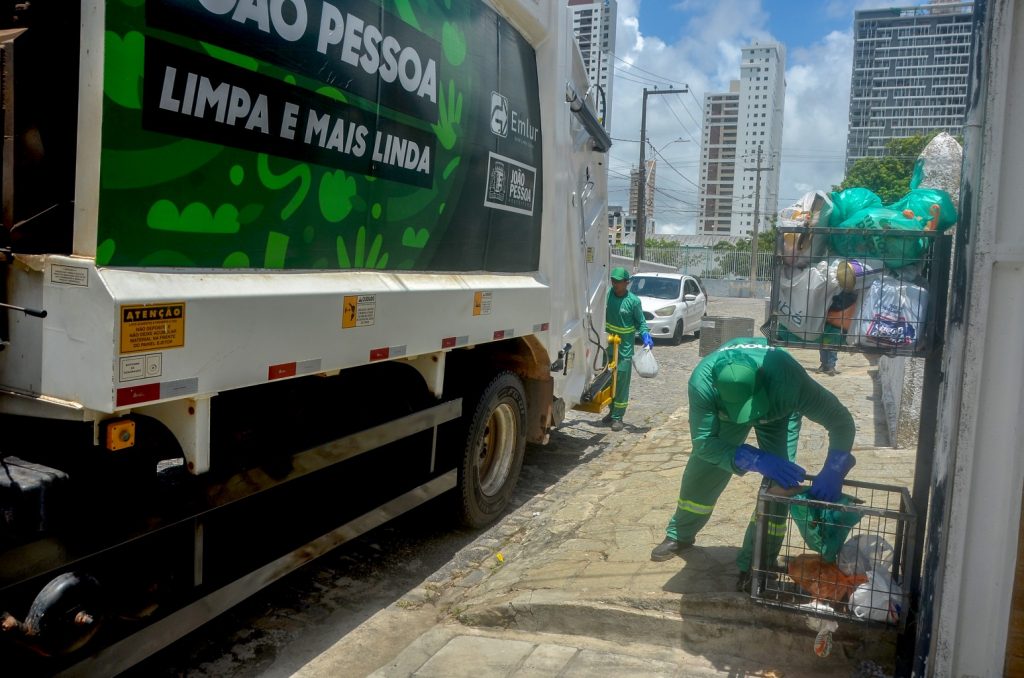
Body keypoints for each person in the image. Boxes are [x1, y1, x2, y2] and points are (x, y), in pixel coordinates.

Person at [649, 336, 856, 592]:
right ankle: (680, 534)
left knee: (779, 487)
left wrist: (834, 468)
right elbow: (704, 443)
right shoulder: (702, 382)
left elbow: (840, 420)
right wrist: (751, 458)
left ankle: (758, 563)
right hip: (726, 418)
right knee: (703, 473)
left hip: (778, 413)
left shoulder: (789, 379)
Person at [604, 266, 653, 432]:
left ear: (627, 282)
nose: (615, 284)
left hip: (624, 349)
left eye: (618, 281)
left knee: (621, 383)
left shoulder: (633, 301)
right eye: (613, 280)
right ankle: (611, 411)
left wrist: (645, 335)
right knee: (607, 381)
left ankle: (618, 417)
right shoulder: (608, 295)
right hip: (607, 347)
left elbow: (641, 322)